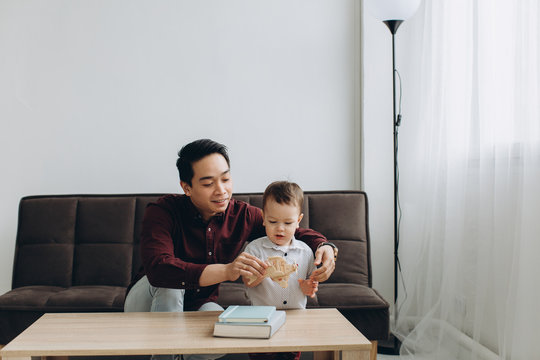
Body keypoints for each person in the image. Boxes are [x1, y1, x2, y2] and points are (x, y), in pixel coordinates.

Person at [124, 139, 337, 360]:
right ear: (186, 187)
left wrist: (325, 246)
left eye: (226, 179)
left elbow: (286, 229)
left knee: (226, 336)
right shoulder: (162, 211)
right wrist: (227, 271)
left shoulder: (242, 215)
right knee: (171, 286)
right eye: (208, 184)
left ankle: (178, 353)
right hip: (147, 302)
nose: (222, 190)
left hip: (198, 305)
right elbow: (160, 270)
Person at [242, 181, 320, 360]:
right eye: (273, 221)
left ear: (298, 221)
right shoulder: (255, 250)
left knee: (290, 355)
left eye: (288, 222)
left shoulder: (306, 251)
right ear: (263, 217)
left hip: (295, 318)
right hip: (261, 319)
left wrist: (310, 288)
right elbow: (248, 282)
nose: (280, 228)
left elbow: (310, 284)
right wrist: (261, 274)